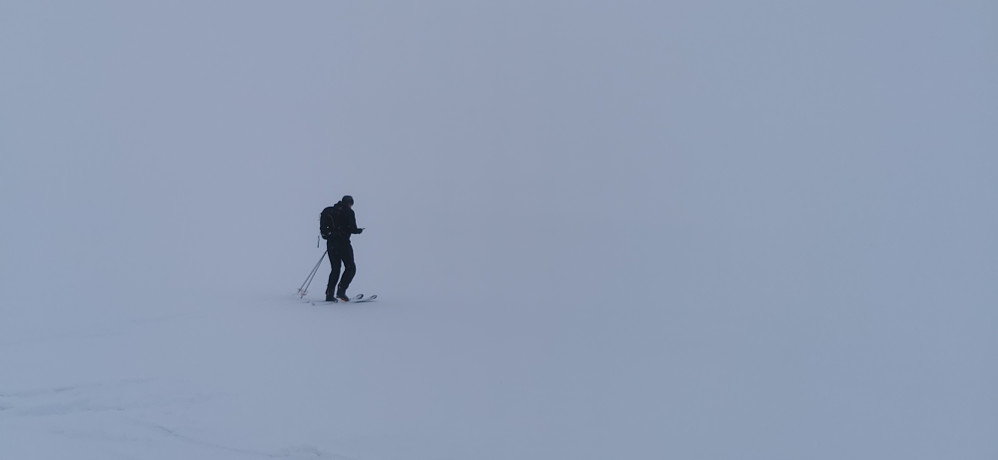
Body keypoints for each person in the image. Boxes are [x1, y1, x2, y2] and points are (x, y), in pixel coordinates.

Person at [325, 195, 364, 302]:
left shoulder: (331, 211)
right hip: (343, 243)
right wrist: (359, 231)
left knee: (335, 269)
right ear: (349, 203)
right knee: (351, 267)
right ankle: (341, 290)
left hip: (331, 243)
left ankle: (329, 294)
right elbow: (352, 228)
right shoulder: (349, 212)